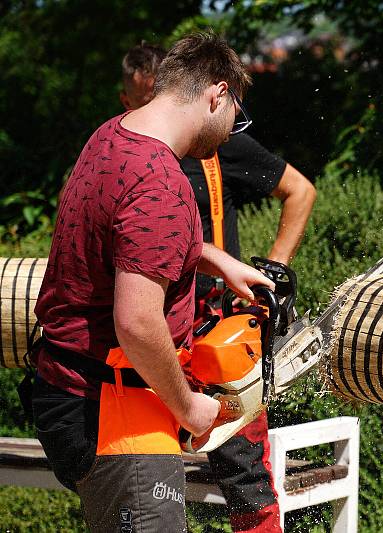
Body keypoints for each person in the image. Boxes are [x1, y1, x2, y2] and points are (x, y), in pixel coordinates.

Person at [31, 32, 275, 532]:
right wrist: (187, 408)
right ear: (217, 94)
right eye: (236, 115)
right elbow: (139, 323)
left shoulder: (113, 135)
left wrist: (214, 259)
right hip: (116, 413)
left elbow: (123, 236)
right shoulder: (161, 180)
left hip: (68, 388)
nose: (232, 131)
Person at [119, 43, 316, 532]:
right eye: (136, 102)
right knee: (142, 480)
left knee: (246, 473)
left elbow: (300, 190)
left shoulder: (219, 143)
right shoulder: (125, 150)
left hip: (212, 330)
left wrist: (273, 267)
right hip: (142, 340)